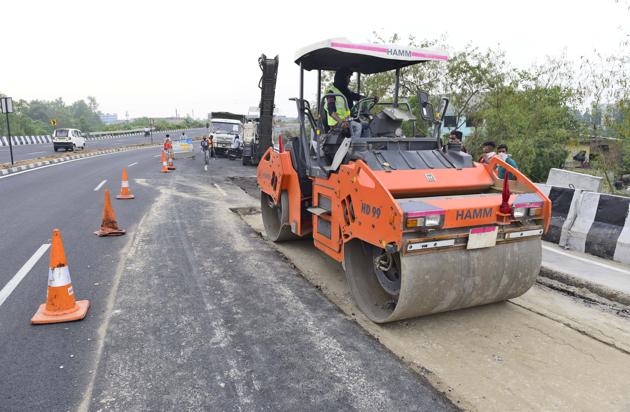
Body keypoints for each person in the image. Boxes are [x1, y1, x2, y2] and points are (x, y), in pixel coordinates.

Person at [324, 68, 364, 138]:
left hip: (347, 120)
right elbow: (331, 111)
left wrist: (370, 98)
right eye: (348, 77)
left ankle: (366, 145)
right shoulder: (331, 93)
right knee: (358, 126)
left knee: (366, 125)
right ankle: (354, 146)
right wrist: (341, 122)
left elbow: (356, 96)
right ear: (342, 78)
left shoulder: (345, 91)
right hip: (337, 123)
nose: (349, 80)